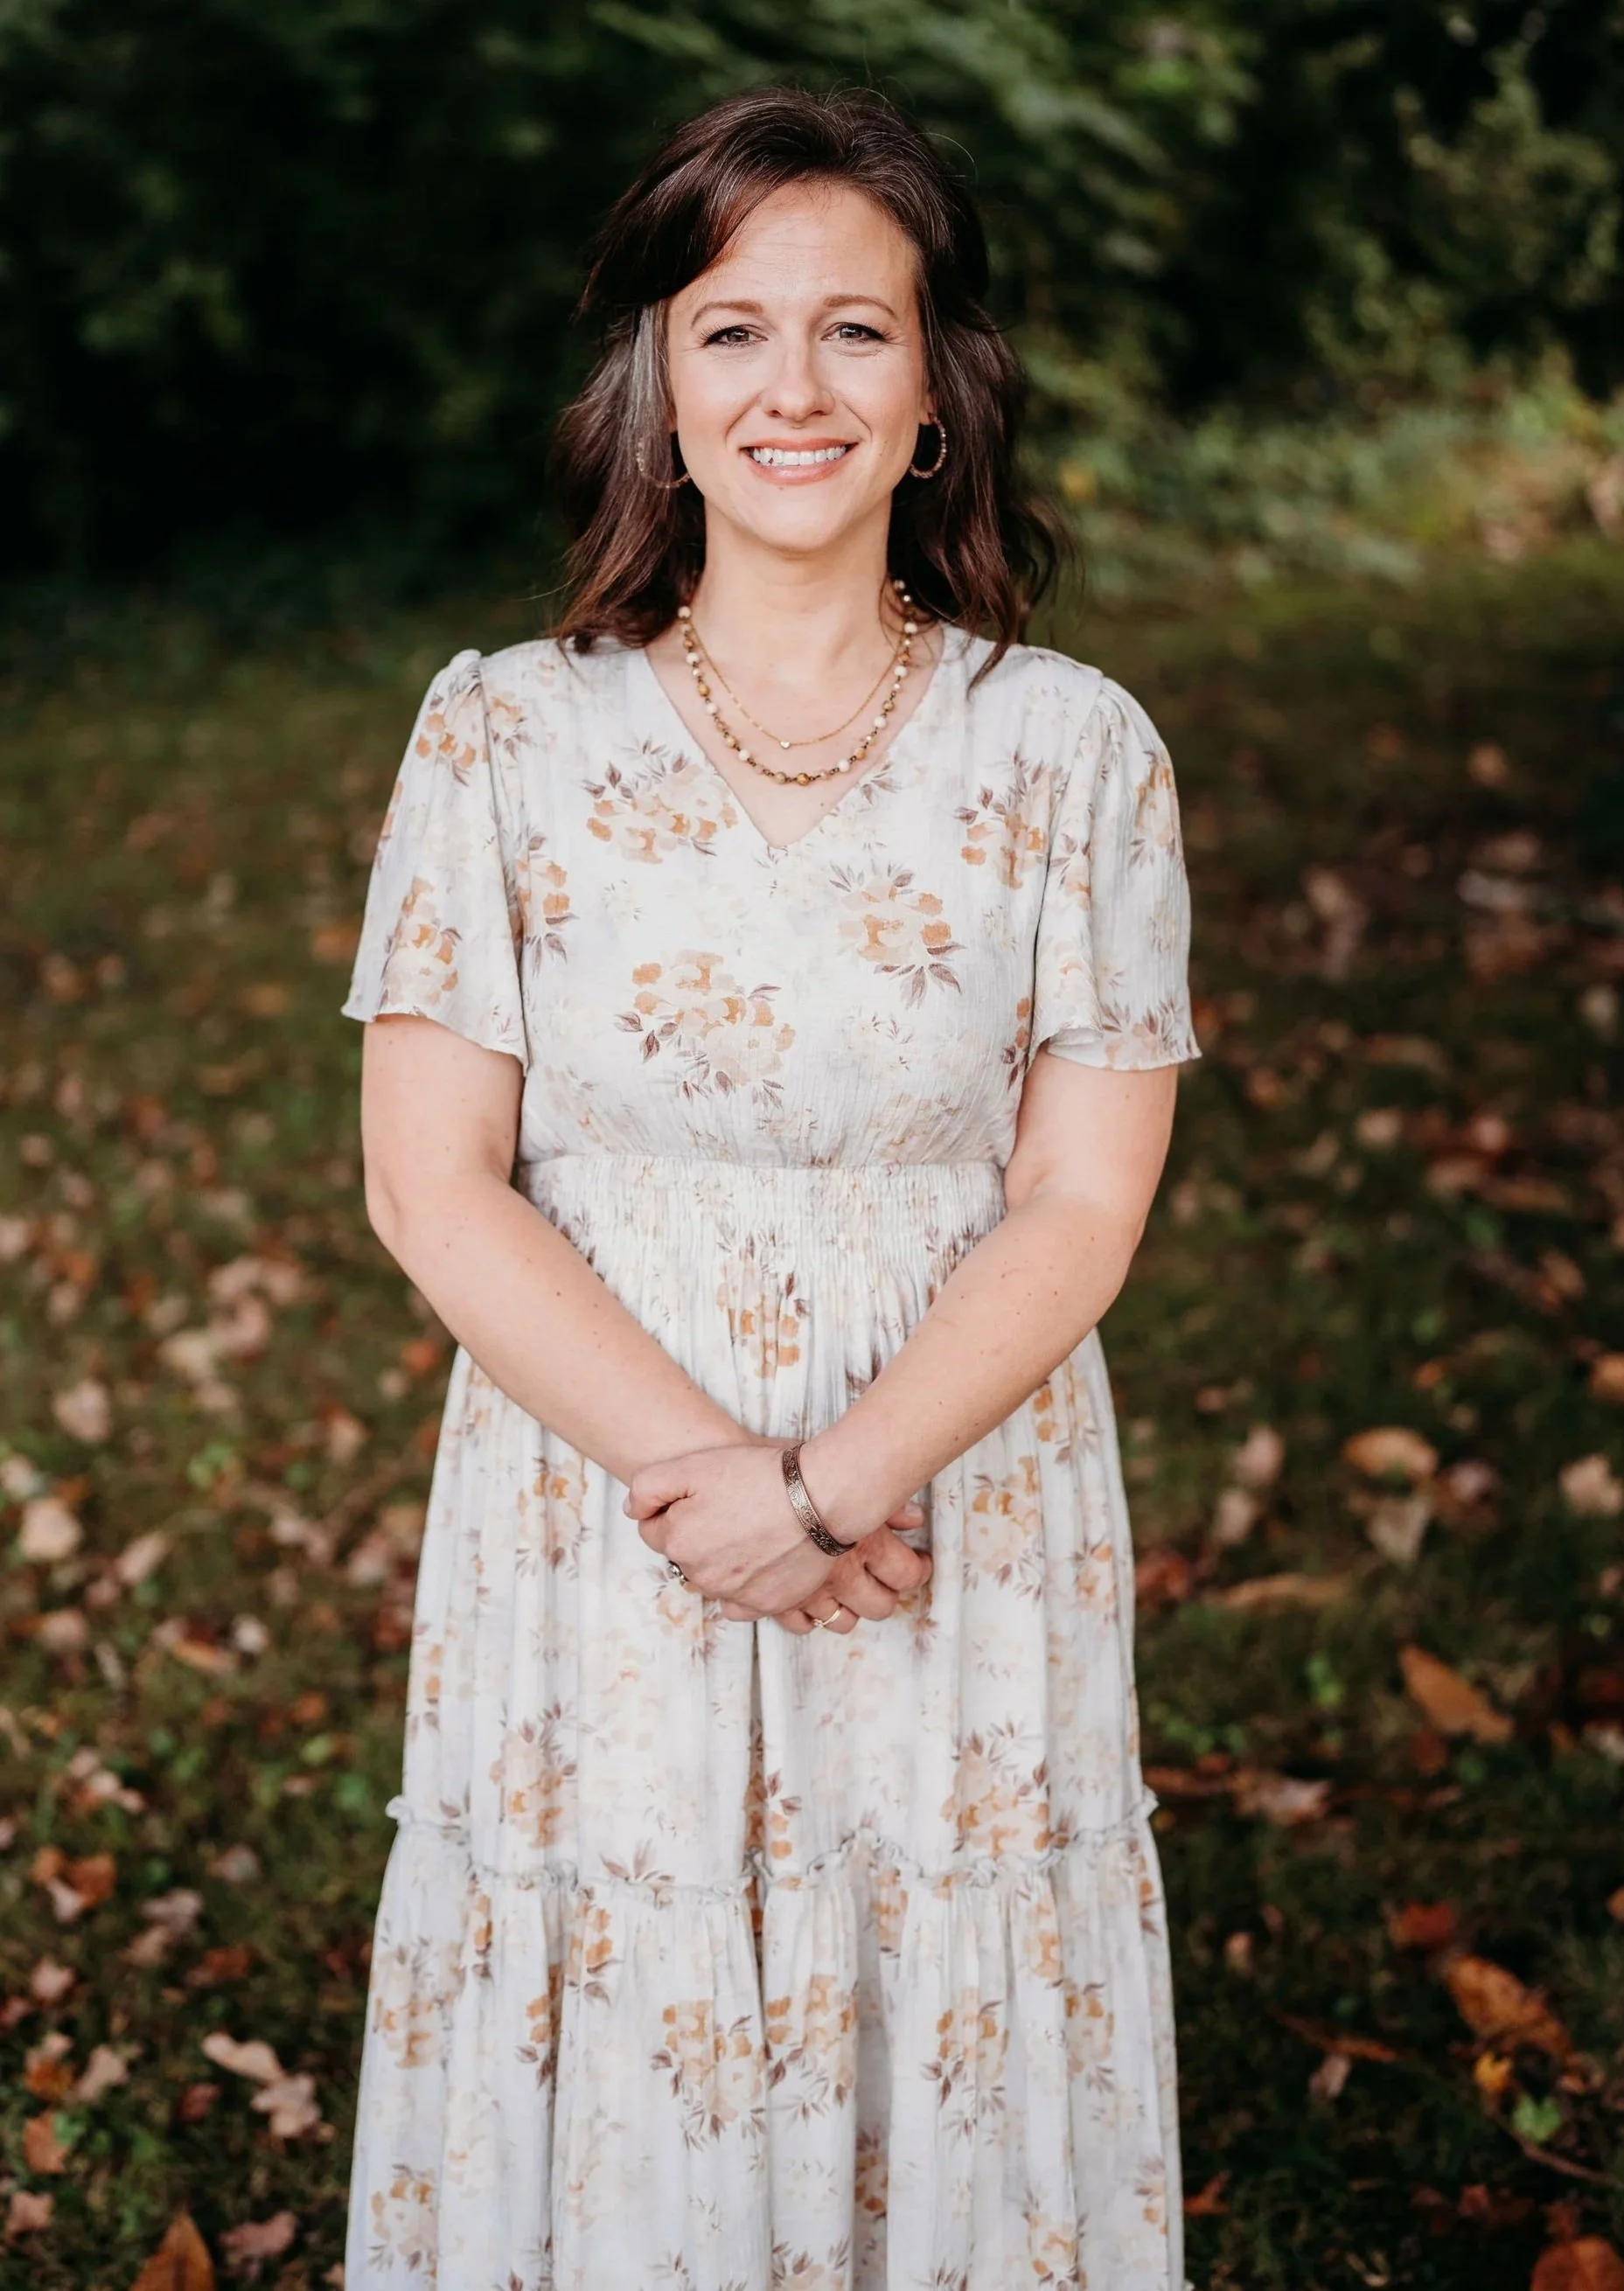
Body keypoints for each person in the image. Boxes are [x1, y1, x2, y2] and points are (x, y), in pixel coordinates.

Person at [339, 80, 1201, 2291]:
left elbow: (1080, 1204)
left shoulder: (1068, 747)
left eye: (854, 331)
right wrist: (713, 1474)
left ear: (937, 395)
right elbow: (438, 1187)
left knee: (931, 1938)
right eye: (729, 330)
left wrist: (832, 1488)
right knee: (621, 1952)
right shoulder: (501, 734)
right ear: (656, 383)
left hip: (946, 1505)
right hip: (596, 1512)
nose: (789, 388)